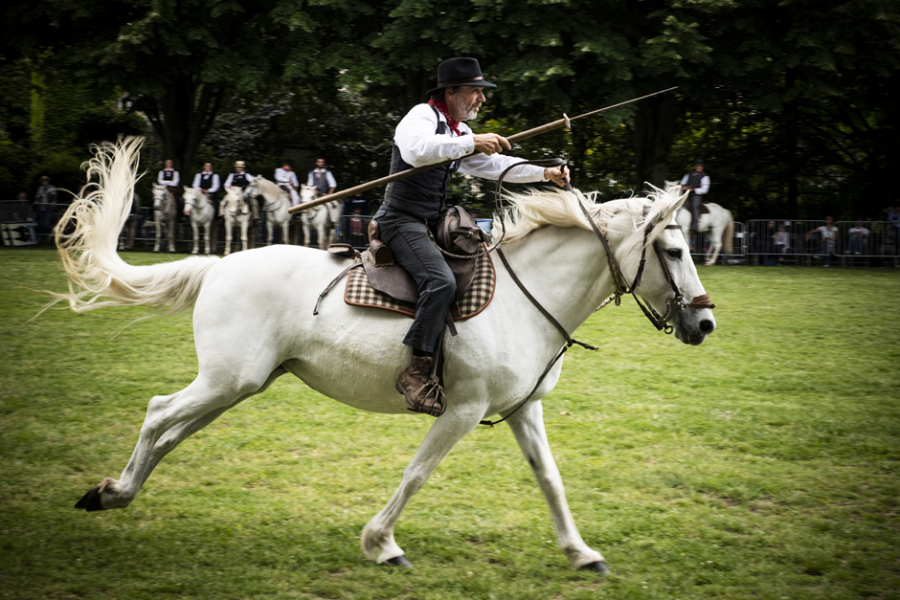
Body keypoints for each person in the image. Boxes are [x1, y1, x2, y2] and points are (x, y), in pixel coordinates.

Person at [373, 57, 569, 416]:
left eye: (482, 92)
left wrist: (545, 173)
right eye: (475, 91)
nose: (481, 98)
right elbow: (417, 151)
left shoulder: (459, 131)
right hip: (402, 221)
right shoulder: (421, 117)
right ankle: (416, 371)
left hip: (434, 221)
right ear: (450, 92)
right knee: (440, 281)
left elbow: (496, 166)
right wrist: (472, 142)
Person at [680, 160, 710, 231]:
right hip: (685, 193)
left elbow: (705, 190)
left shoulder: (705, 177)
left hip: (696, 195)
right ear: (694, 166)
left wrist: (693, 190)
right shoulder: (688, 174)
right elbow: (683, 182)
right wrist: (683, 186)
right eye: (697, 166)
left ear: (702, 167)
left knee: (694, 205)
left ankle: (695, 224)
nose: (698, 167)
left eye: (700, 166)